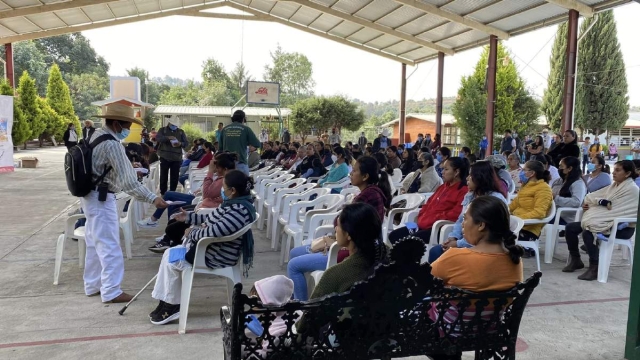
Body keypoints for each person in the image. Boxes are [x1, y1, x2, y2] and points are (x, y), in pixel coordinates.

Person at [83, 104, 168, 303]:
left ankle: (93, 285)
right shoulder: (112, 144)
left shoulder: (94, 135)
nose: (128, 130)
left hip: (89, 195)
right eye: (127, 125)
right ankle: (111, 291)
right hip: (102, 197)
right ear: (116, 124)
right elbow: (129, 182)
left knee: (94, 243)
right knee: (109, 245)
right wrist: (153, 198)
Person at [149, 170, 256, 324]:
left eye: (223, 188)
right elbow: (212, 217)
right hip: (211, 249)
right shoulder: (234, 204)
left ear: (232, 191)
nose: (221, 191)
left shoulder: (239, 211)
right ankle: (167, 301)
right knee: (169, 254)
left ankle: (172, 305)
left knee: (171, 261)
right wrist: (189, 217)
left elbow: (214, 231)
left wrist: (191, 233)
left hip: (216, 255)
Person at [288, 157, 391, 300]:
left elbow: (341, 222)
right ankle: (297, 297)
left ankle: (300, 307)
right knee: (294, 252)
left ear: (365, 176)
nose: (350, 173)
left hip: (348, 251)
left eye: (354, 171)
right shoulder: (368, 194)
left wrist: (337, 232)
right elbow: (341, 222)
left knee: (293, 266)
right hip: (348, 244)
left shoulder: (368, 197)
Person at [297, 203, 386, 310]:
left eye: (338, 225)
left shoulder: (335, 275)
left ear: (348, 234)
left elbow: (308, 320)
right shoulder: (390, 256)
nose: (335, 228)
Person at [563, 160, 639, 281]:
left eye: (618, 170)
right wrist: (590, 205)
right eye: (614, 170)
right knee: (570, 228)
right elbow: (593, 198)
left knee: (588, 231)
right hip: (603, 222)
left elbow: (622, 210)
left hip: (623, 228)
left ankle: (594, 267)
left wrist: (599, 206)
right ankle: (576, 259)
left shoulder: (633, 189)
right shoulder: (613, 186)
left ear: (628, 173)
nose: (613, 173)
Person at [431, 195, 523, 291]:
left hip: (457, 306)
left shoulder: (454, 257)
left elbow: (421, 280)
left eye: (465, 218)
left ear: (481, 225)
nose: (462, 224)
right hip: (501, 306)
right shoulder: (515, 258)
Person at [149, 153, 236, 252]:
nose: (213, 166)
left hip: (206, 209)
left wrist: (210, 172)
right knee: (174, 213)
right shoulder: (225, 177)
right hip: (204, 206)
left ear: (224, 168)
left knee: (172, 209)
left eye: (216, 164)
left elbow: (207, 193)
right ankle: (168, 239)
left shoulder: (226, 179)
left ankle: (167, 238)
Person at [428, 161, 508, 263]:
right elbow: (461, 219)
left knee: (439, 254)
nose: (467, 179)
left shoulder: (494, 200)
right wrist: (453, 237)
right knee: (436, 251)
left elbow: (485, 234)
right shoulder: (470, 195)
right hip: (465, 239)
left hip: (483, 245)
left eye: (470, 176)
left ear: (480, 177)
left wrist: (458, 244)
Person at [388, 157, 468, 244]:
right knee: (394, 235)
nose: (442, 172)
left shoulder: (463, 191)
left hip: (436, 229)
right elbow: (428, 203)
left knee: (408, 242)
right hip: (421, 224)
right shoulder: (443, 187)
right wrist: (422, 217)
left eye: (446, 169)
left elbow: (455, 215)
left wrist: (432, 219)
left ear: (456, 172)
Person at [510, 160, 553, 256]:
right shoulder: (526, 186)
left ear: (532, 173)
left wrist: (517, 219)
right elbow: (514, 205)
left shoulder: (543, 188)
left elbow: (539, 213)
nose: (521, 172)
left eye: (524, 170)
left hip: (528, 228)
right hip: (517, 223)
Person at [219, 110, 262, 175]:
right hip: (241, 162)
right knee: (242, 184)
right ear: (243, 119)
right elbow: (257, 144)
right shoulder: (246, 129)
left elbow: (220, 148)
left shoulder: (224, 129)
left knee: (228, 184)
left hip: (227, 165)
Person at [551, 156, 586, 224]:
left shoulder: (578, 183)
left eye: (561, 166)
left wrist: (556, 198)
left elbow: (576, 202)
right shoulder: (558, 181)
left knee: (540, 220)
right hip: (554, 212)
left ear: (569, 168)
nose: (559, 169)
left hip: (566, 218)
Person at [156, 120, 188, 195]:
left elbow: (186, 143)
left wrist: (180, 143)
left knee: (175, 176)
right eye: (173, 125)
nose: (174, 127)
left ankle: (172, 192)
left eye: (176, 125)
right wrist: (168, 138)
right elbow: (158, 138)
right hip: (164, 156)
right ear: (169, 123)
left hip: (176, 157)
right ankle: (163, 192)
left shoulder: (181, 132)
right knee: (163, 175)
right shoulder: (162, 130)